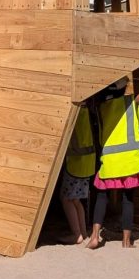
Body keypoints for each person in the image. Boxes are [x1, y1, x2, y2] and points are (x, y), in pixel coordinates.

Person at [88, 67, 139, 249]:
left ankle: (95, 236)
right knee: (128, 199)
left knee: (102, 198)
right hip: (130, 161)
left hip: (110, 162)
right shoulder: (132, 101)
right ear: (123, 88)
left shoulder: (99, 106)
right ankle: (126, 241)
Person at [59, 102, 95, 244]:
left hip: (76, 161)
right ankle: (83, 232)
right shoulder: (86, 111)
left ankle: (76, 235)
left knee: (66, 199)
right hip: (87, 161)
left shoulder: (74, 110)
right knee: (76, 199)